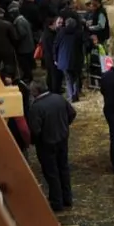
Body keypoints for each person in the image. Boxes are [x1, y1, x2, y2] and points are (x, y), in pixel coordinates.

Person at [28, 80, 76, 212]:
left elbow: (35, 130)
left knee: (51, 173)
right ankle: (67, 199)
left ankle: (57, 202)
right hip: (62, 139)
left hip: (46, 144)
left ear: (35, 91)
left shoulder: (36, 107)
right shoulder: (59, 98)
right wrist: (64, 126)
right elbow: (72, 113)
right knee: (64, 169)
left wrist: (34, 141)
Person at [53, 16, 82, 102]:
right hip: (76, 59)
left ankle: (70, 96)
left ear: (66, 24)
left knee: (68, 78)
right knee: (76, 77)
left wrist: (55, 58)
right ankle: (75, 95)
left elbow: (55, 46)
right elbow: (83, 45)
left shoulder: (61, 32)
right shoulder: (78, 33)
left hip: (63, 59)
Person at [8, 3, 34, 82]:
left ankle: (28, 78)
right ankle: (28, 76)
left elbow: (22, 34)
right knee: (28, 64)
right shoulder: (24, 19)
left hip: (24, 48)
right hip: (29, 46)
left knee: (25, 65)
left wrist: (15, 39)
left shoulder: (19, 22)